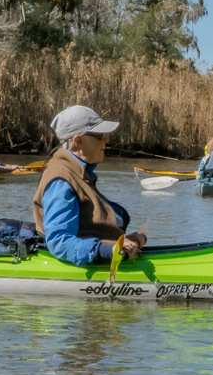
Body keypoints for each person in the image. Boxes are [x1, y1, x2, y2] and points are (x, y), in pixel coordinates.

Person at [32, 105, 146, 267]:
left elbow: (89, 227)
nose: (106, 140)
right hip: (91, 262)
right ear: (78, 141)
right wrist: (108, 251)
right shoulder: (61, 180)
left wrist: (125, 241)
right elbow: (59, 241)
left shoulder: (79, 172)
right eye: (100, 136)